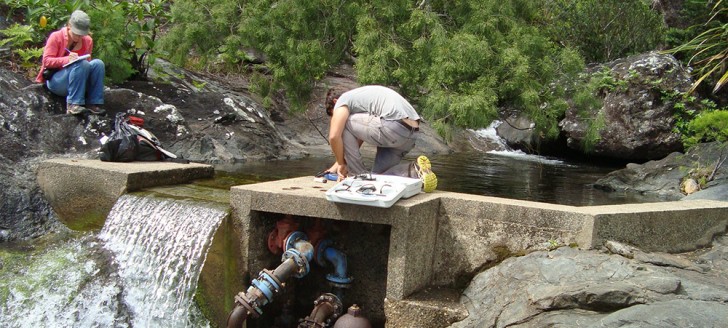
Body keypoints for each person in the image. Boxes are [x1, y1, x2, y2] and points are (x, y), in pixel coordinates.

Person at [324, 85, 437, 192]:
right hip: (411, 133)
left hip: (393, 126)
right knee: (378, 179)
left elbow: (334, 136)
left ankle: (357, 177)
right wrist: (336, 166)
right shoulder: (361, 98)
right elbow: (353, 145)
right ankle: (415, 171)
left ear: (335, 101)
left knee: (343, 124)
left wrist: (341, 164)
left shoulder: (343, 100)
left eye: (333, 114)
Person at [36, 10, 105, 116]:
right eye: (76, 33)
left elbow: (87, 65)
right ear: (69, 26)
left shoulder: (88, 41)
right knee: (82, 64)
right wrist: (67, 59)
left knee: (98, 64)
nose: (78, 37)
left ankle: (93, 103)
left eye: (81, 35)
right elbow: (46, 61)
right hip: (57, 81)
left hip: (77, 80)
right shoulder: (56, 37)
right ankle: (73, 104)